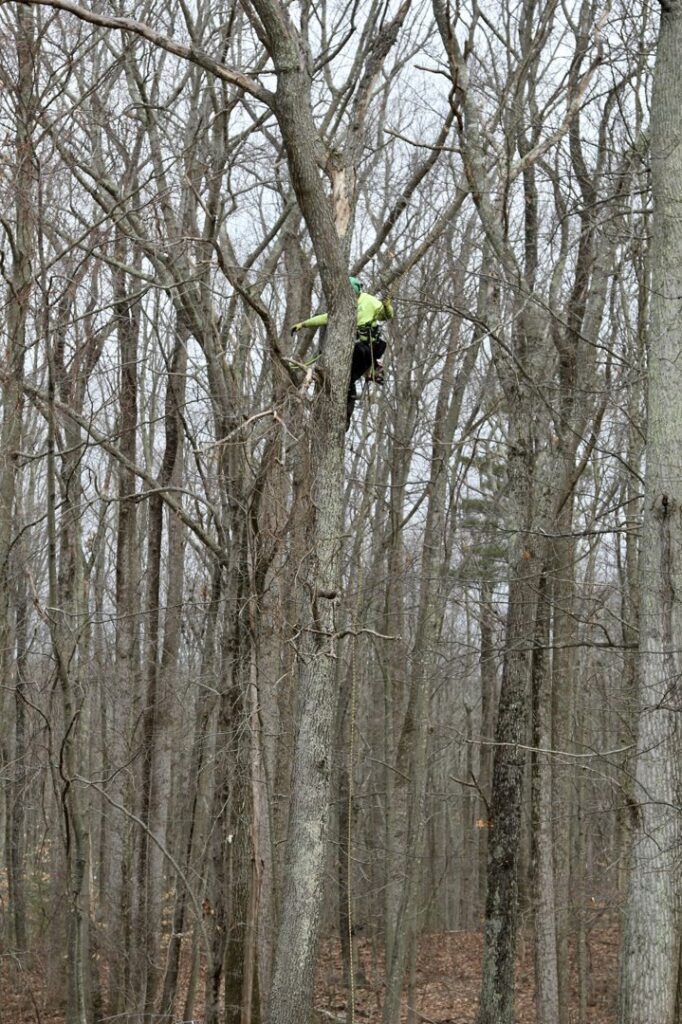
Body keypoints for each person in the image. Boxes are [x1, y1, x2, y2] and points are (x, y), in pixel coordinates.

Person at [291, 276, 394, 428]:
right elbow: (325, 318)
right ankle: (370, 369)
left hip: (368, 347)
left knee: (348, 378)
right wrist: (303, 324)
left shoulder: (369, 301)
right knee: (346, 375)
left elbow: (386, 315)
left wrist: (386, 305)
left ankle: (345, 416)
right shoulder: (344, 306)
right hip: (356, 349)